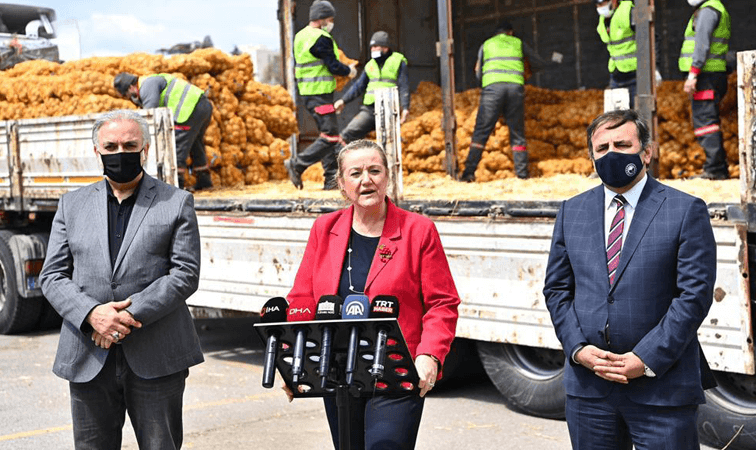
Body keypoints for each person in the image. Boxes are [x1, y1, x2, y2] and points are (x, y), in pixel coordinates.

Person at [543, 109, 717, 449]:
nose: (612, 154)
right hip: (590, 391)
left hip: (661, 389)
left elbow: (693, 296)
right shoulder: (571, 211)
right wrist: (578, 350)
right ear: (591, 156)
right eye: (602, 147)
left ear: (647, 153)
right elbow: (557, 290)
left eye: (622, 144)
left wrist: (647, 358)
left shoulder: (684, 210)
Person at [39, 110, 204, 449]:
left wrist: (124, 317)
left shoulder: (175, 202)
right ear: (97, 151)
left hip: (157, 354)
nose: (120, 153)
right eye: (110, 146)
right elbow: (53, 275)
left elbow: (185, 273)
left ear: (145, 150)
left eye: (130, 145)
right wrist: (92, 315)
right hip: (88, 355)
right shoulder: (72, 205)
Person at [285, 140, 460, 449]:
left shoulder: (418, 230)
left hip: (396, 370)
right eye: (355, 173)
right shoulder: (324, 229)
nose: (366, 179)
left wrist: (429, 356)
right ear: (341, 183)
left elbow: (442, 303)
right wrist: (294, 363)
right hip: (336, 369)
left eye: (374, 170)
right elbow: (301, 299)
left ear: (387, 177)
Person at [460, 21, 558, 182]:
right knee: (517, 132)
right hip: (515, 89)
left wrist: (485, 84)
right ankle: (522, 174)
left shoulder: (487, 44)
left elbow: (478, 70)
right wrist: (529, 71)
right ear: (510, 32)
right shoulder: (518, 42)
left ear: (496, 33)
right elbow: (537, 62)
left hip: (492, 90)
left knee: (481, 131)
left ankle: (468, 173)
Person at [286, 0, 357, 191]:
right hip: (319, 94)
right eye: (330, 19)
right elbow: (332, 65)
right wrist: (348, 71)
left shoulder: (301, 36)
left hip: (310, 95)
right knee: (332, 136)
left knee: (327, 135)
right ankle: (298, 164)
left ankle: (330, 181)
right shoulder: (321, 38)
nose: (331, 23)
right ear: (322, 18)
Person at [113, 72, 214, 190]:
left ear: (131, 87)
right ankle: (204, 181)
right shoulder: (149, 82)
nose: (130, 99)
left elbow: (150, 115)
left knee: (177, 146)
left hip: (189, 109)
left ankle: (177, 186)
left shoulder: (147, 86)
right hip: (202, 106)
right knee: (196, 145)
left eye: (127, 95)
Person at [680, 0, 731, 180]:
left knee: (706, 123)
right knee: (709, 120)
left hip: (705, 75)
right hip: (712, 73)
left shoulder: (708, 11)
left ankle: (715, 169)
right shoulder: (713, 8)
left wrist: (693, 74)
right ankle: (718, 167)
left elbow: (702, 45)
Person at [333, 31, 410, 144]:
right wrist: (343, 100)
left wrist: (405, 107)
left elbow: (404, 85)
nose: (373, 49)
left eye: (375, 47)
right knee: (347, 135)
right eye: (371, 47)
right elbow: (359, 86)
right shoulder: (370, 65)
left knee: (390, 141)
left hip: (389, 109)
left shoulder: (398, 61)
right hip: (370, 110)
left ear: (385, 48)